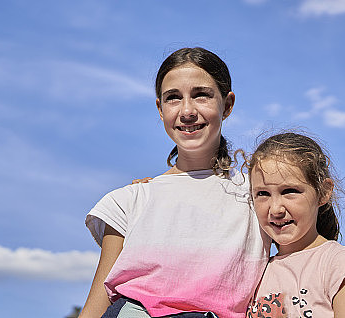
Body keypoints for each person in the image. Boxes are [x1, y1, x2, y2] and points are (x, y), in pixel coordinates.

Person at [80, 47, 269, 318]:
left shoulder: (257, 196)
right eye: (173, 98)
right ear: (160, 108)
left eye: (201, 95)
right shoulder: (128, 201)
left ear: (227, 105)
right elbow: (96, 306)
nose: (187, 111)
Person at [246, 132, 345, 318]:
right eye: (263, 194)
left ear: (323, 193)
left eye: (289, 191)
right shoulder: (256, 271)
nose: (275, 209)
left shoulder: (338, 262)